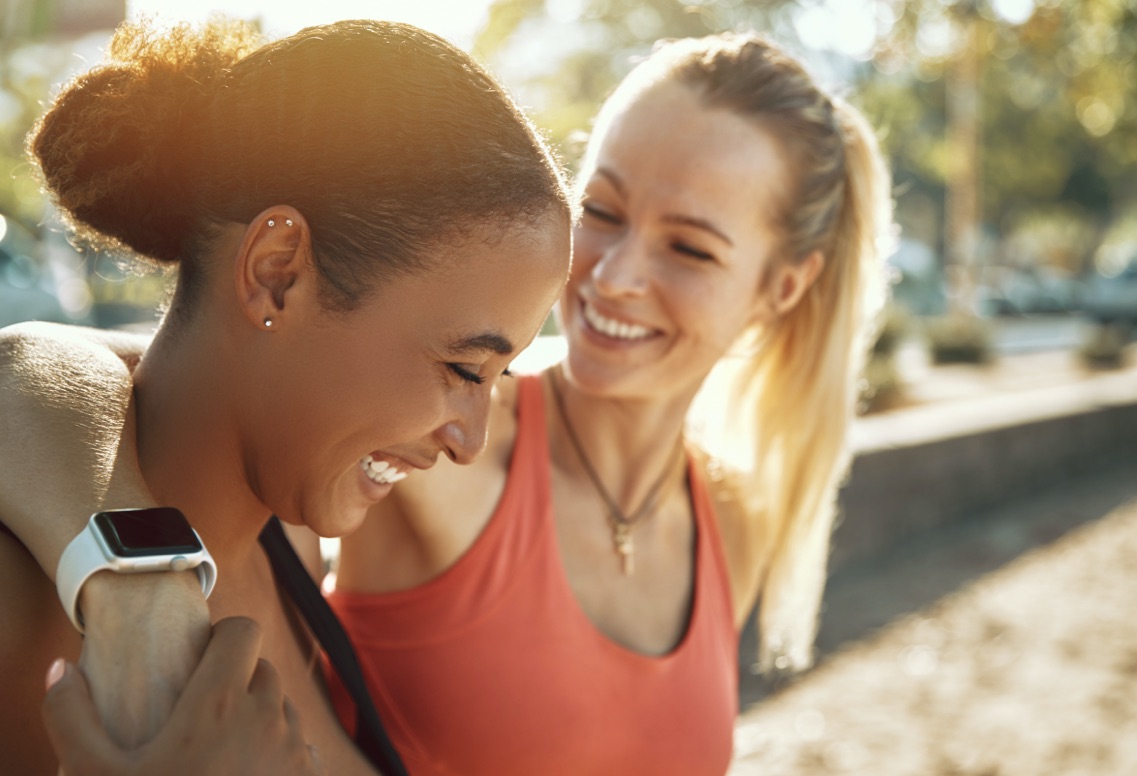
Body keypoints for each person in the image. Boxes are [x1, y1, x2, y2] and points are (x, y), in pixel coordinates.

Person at [0, 30, 892, 775]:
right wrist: (134, 587)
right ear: (276, 271)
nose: (614, 278)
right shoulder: (397, 470)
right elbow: (47, 366)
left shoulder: (725, 517)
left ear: (782, 287)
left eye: (691, 248)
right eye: (602, 213)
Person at [0, 14, 571, 776]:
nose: (468, 440)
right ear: (276, 271)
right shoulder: (20, 612)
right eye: (465, 370)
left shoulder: (293, 548)